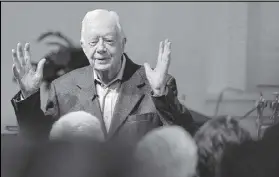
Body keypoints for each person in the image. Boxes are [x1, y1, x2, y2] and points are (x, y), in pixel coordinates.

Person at [10, 9, 194, 144]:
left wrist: (161, 94)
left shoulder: (155, 85)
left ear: (123, 43)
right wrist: (29, 97)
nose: (100, 49)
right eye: (93, 42)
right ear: (83, 46)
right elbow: (39, 141)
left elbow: (184, 140)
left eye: (108, 40)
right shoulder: (63, 87)